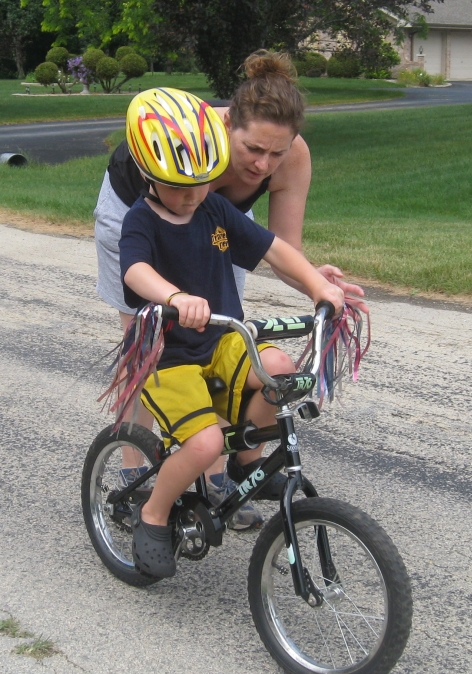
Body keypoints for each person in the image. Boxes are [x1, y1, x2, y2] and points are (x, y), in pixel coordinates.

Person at [95, 49, 365, 528]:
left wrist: (314, 283)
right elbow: (147, 256)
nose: (262, 164)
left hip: (218, 221)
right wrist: (173, 297)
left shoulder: (283, 163)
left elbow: (279, 248)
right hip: (139, 211)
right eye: (251, 151)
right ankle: (133, 479)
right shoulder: (191, 150)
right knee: (155, 349)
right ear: (227, 131)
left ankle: (225, 482)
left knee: (225, 339)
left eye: (275, 153)